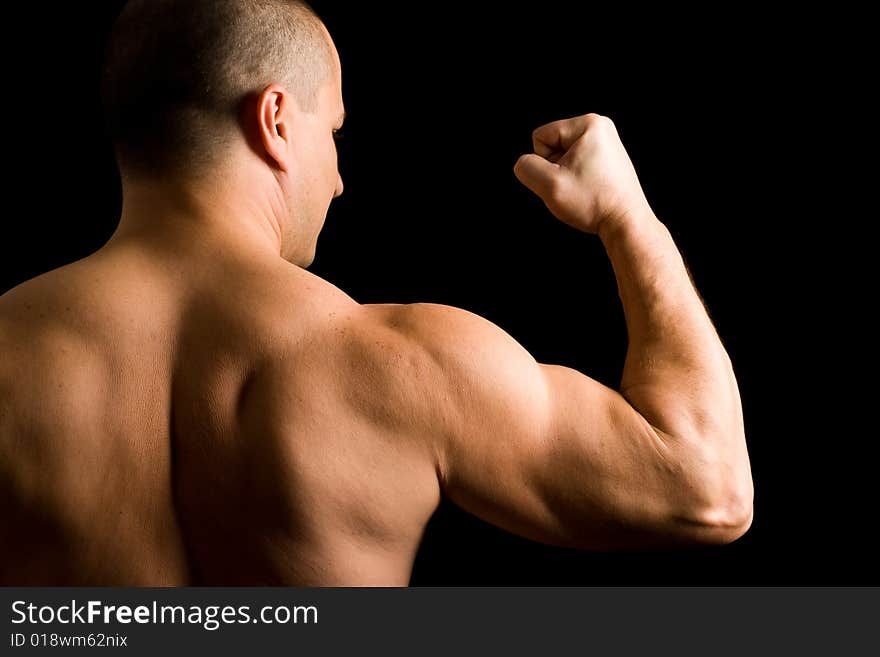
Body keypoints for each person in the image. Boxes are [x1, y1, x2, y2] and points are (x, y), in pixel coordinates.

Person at [0, 0, 753, 585]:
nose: (337, 179)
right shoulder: (398, 361)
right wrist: (629, 216)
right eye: (333, 131)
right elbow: (706, 485)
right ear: (275, 122)